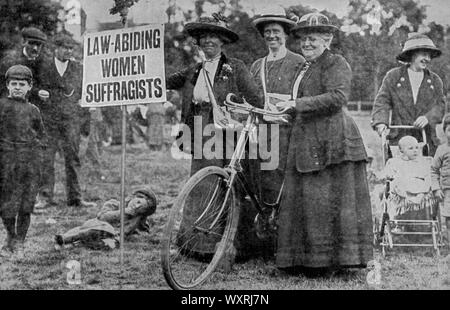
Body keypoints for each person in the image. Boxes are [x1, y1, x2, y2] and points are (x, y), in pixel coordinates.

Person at [275, 12, 373, 274]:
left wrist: (297, 104)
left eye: (313, 38)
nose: (306, 43)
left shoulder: (335, 62)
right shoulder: (303, 67)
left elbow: (338, 97)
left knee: (325, 200)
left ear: (327, 39)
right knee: (309, 200)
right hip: (307, 137)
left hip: (333, 141)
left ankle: (329, 262)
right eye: (303, 39)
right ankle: (306, 261)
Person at [166, 13, 262, 261]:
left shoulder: (236, 68)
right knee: (198, 183)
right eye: (204, 37)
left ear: (222, 41)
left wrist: (235, 112)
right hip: (197, 128)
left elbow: (256, 99)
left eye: (214, 37)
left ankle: (213, 246)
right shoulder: (193, 70)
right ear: (198, 42)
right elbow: (164, 82)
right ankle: (191, 244)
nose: (209, 41)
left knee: (219, 184)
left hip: (222, 131)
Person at [249, 7, 305, 257]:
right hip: (261, 132)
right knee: (260, 181)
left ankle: (284, 242)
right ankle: (262, 238)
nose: (272, 36)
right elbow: (249, 97)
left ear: (286, 34)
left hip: (286, 132)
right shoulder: (257, 65)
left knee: (282, 183)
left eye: (277, 32)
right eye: (268, 32)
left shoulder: (298, 62)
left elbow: (304, 96)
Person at [35, 32, 95, 209]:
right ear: (56, 48)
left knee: (73, 157)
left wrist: (83, 105)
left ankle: (75, 198)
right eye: (65, 48)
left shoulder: (78, 68)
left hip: (71, 119)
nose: (69, 51)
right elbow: (33, 86)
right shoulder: (42, 66)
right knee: (47, 157)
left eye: (71, 48)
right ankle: (45, 197)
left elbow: (86, 90)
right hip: (48, 119)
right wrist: (38, 93)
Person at [371, 33, 445, 156]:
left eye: (429, 55)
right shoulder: (393, 76)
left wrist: (427, 117)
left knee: (425, 173)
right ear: (412, 54)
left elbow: (441, 106)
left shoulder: (435, 80)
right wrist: (380, 122)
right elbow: (382, 102)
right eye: (424, 54)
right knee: (398, 173)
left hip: (426, 140)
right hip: (400, 141)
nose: (428, 59)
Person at [0, 65, 47, 258]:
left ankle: (20, 241)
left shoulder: (33, 110)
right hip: (7, 162)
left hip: (29, 163)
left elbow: (42, 136)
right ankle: (11, 236)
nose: (18, 87)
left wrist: (37, 157)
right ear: (7, 85)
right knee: (6, 205)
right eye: (14, 84)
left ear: (29, 87)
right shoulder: (2, 106)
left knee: (26, 205)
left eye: (22, 84)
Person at [55, 188, 157, 249]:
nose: (137, 207)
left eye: (141, 208)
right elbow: (103, 217)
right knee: (87, 231)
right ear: (133, 197)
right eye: (138, 202)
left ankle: (77, 245)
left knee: (107, 243)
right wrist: (124, 212)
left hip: (111, 239)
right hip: (97, 226)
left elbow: (144, 230)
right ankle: (64, 239)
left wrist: (134, 234)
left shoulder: (137, 218)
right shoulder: (113, 204)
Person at [379, 136, 434, 220]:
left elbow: (427, 173)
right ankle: (408, 200)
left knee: (430, 181)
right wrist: (388, 175)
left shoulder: (422, 161)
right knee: (395, 183)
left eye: (417, 147)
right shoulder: (395, 162)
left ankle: (419, 197)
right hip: (403, 189)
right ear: (401, 151)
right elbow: (388, 172)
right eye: (411, 148)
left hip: (419, 185)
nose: (415, 150)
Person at [0, 27, 49, 104]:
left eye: (38, 45)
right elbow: (4, 87)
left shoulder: (45, 62)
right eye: (31, 43)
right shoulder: (10, 60)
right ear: (23, 42)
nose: (35, 48)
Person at [431, 113, 450, 248]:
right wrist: (436, 188)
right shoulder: (442, 149)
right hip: (447, 190)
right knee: (449, 219)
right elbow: (434, 170)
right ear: (445, 131)